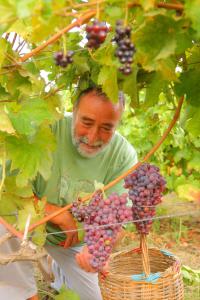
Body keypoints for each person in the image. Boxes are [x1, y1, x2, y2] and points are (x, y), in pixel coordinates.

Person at [0, 87, 137, 300]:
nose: (92, 137)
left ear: (118, 123)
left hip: (73, 243)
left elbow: (117, 221)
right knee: (3, 219)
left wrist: (101, 246)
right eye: (87, 123)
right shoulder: (44, 129)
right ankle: (21, 293)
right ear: (74, 111)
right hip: (25, 225)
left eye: (106, 128)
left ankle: (59, 271)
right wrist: (52, 211)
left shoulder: (123, 156)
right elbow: (7, 190)